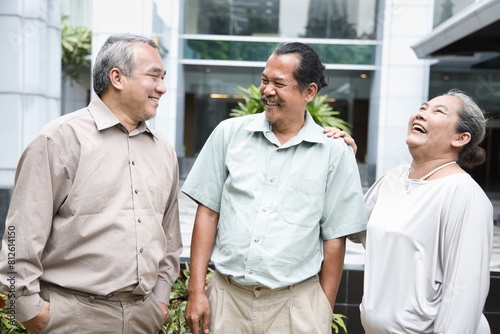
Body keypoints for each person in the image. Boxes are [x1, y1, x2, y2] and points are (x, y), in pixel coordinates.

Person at [0, 34, 183, 334]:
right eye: (154, 76)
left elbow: (170, 237)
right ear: (117, 78)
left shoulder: (163, 150)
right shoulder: (59, 139)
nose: (162, 87)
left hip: (143, 319)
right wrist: (31, 312)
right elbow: (17, 237)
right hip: (70, 319)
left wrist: (160, 301)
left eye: (163, 78)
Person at [181, 42, 367, 334]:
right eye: (264, 80)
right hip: (227, 300)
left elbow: (335, 238)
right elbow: (207, 213)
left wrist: (322, 309)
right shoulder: (229, 134)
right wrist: (196, 291)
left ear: (310, 92)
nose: (267, 90)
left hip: (294, 306)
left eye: (279, 83)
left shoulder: (335, 152)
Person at [331, 89, 493, 333]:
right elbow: (354, 229)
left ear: (460, 138)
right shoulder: (393, 178)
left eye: (438, 111)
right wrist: (345, 163)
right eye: (422, 108)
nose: (421, 115)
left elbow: (464, 294)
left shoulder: (464, 194)